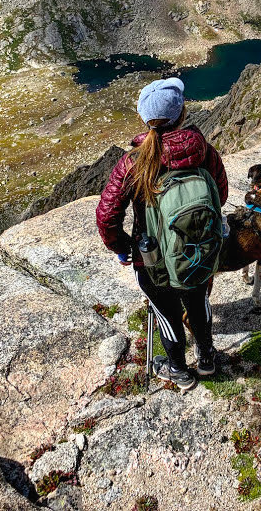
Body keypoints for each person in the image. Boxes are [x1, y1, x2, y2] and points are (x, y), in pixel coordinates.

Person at [96, 77, 228, 391]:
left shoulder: (133, 162)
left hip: (153, 258)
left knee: (167, 314)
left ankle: (179, 371)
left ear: (145, 119)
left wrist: (123, 246)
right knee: (198, 304)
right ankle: (207, 358)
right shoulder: (204, 151)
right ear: (182, 112)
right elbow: (218, 195)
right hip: (197, 249)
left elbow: (107, 214)